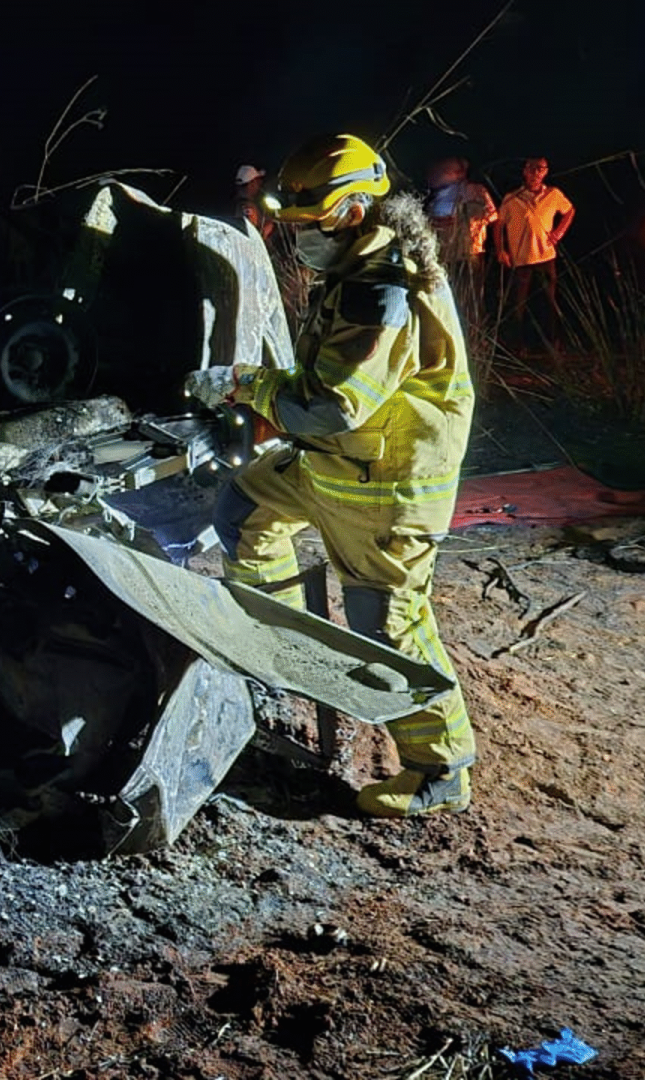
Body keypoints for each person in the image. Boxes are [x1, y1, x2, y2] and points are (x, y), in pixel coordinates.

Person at [184, 133, 477, 817]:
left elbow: (331, 405)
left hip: (388, 487)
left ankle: (442, 770)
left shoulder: (385, 290)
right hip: (340, 466)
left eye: (307, 227)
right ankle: (281, 656)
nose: (298, 241)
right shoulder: (358, 270)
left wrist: (245, 385)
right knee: (244, 510)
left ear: (350, 213)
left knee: (388, 625)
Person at [495, 157, 575, 352]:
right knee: (517, 305)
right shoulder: (512, 198)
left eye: (540, 169)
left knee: (548, 302)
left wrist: (559, 232)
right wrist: (500, 249)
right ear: (525, 171)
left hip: (545, 256)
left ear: (545, 172)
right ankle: (515, 346)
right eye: (532, 169)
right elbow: (499, 225)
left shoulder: (553, 194)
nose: (536, 173)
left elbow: (570, 210)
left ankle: (550, 343)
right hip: (520, 258)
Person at [423, 156, 497, 303]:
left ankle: (473, 324)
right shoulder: (436, 196)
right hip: (444, 254)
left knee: (470, 297)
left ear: (458, 173)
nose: (435, 174)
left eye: (444, 170)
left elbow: (492, 214)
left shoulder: (472, 190)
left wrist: (461, 221)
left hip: (468, 253)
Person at [234, 164, 277, 246]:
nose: (259, 184)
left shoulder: (241, 204)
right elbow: (252, 236)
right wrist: (269, 226)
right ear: (251, 183)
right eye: (257, 181)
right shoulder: (247, 207)